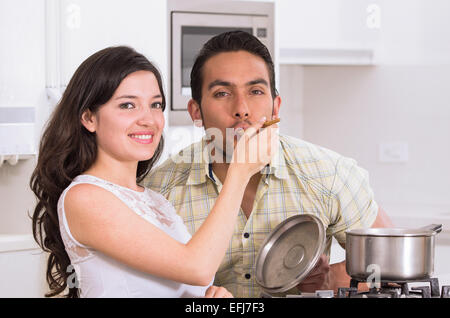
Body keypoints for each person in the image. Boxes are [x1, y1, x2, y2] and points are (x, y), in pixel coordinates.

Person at [143, 31, 394, 298]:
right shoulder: (158, 191)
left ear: (275, 107)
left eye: (255, 91)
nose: (242, 109)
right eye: (222, 93)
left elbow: (387, 265)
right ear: (195, 112)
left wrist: (329, 278)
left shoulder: (329, 174)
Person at [30, 46, 277, 298]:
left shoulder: (156, 200)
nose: (148, 119)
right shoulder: (85, 197)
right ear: (89, 118)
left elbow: (184, 279)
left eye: (155, 105)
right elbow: (198, 267)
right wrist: (240, 172)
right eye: (128, 105)